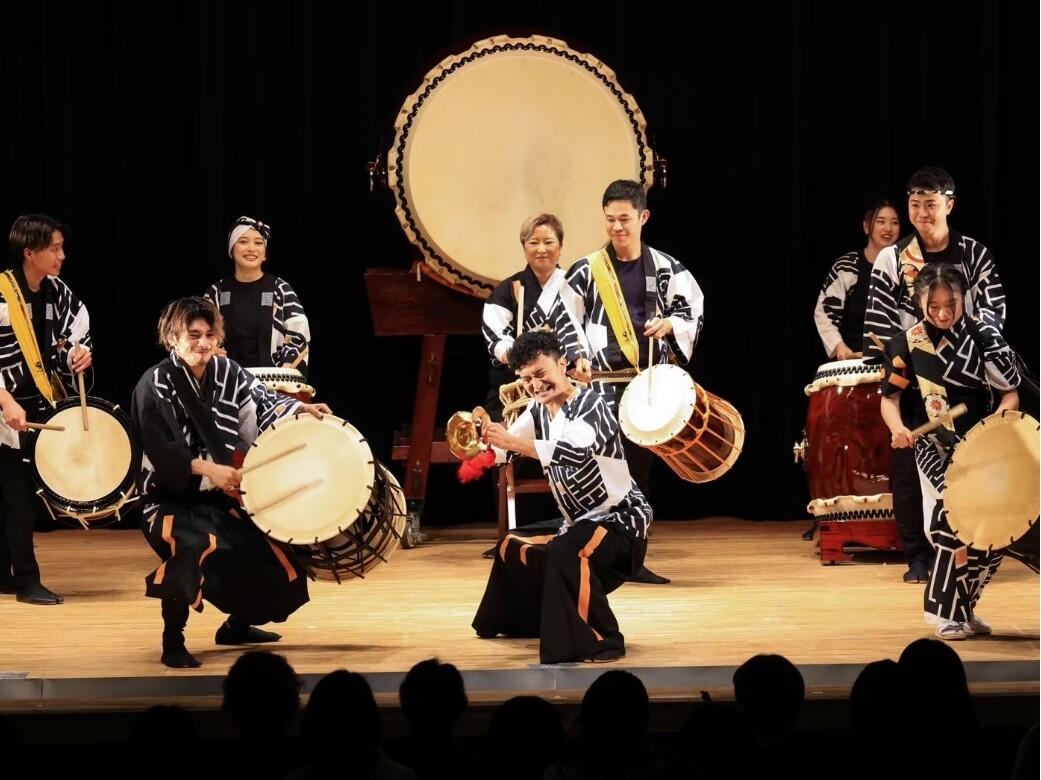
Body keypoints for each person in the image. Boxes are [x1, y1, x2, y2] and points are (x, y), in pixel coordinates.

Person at [130, 296, 332, 668]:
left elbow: (264, 403)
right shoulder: (155, 384)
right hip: (168, 501)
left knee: (273, 557)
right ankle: (172, 640)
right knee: (191, 546)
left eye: (209, 335)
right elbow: (162, 451)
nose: (203, 343)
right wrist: (210, 470)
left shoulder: (228, 372)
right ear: (173, 337)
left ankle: (237, 626)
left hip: (215, 500)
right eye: (193, 335)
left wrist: (300, 408)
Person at [471, 329, 653, 664]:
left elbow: (572, 452)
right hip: (580, 523)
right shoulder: (538, 411)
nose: (535, 385)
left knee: (566, 551)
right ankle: (523, 622)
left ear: (563, 364)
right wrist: (480, 443)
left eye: (541, 373)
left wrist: (510, 442)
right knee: (513, 544)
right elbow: (506, 449)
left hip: (621, 524)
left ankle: (603, 641)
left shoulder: (592, 405)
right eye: (527, 379)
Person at [556, 179, 704, 585]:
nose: (617, 227)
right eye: (610, 220)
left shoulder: (667, 268)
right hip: (600, 386)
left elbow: (692, 311)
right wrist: (576, 355)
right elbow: (565, 317)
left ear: (643, 217)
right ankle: (595, 556)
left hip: (648, 386)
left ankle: (633, 560)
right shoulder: (586, 270)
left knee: (639, 474)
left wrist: (671, 324)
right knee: (603, 471)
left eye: (624, 219)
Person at [863, 167, 1007, 585]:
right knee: (910, 469)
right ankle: (918, 555)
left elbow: (993, 312)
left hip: (966, 370)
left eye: (931, 204)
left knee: (975, 467)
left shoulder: (974, 253)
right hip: (915, 369)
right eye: (915, 204)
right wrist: (911, 352)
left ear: (949, 204)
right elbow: (881, 320)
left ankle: (975, 550)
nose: (922, 213)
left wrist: (964, 343)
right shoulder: (893, 257)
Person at [879, 263, 1019, 640]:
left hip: (982, 442)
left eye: (950, 305)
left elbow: (1009, 393)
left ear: (963, 298)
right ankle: (946, 614)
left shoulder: (984, 335)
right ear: (920, 302)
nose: (942, 314)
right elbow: (890, 400)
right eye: (934, 306)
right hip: (935, 444)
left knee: (992, 529)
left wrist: (999, 421)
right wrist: (898, 429)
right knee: (952, 514)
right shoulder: (908, 342)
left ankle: (967, 607)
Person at [0, 214, 92, 606]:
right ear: (29, 252)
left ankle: (6, 574)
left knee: (16, 496)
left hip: (37, 405)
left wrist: (79, 355)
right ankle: (28, 581)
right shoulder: (2, 295)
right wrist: (6, 401)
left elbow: (73, 337)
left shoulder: (58, 292)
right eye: (53, 248)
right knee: (18, 498)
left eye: (61, 248)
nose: (61, 255)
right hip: (5, 408)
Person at [202, 215, 311, 377]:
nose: (251, 248)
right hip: (225, 382)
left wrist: (284, 375)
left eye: (258, 243)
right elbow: (200, 336)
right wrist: (211, 350)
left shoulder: (281, 290)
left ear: (265, 253)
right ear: (231, 249)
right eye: (243, 241)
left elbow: (298, 336)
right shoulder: (215, 293)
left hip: (272, 383)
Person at [813, 199, 901, 361]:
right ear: (866, 227)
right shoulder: (848, 265)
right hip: (852, 361)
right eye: (881, 221)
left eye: (894, 223)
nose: (888, 228)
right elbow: (824, 313)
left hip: (894, 363)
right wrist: (839, 345)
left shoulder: (905, 268)